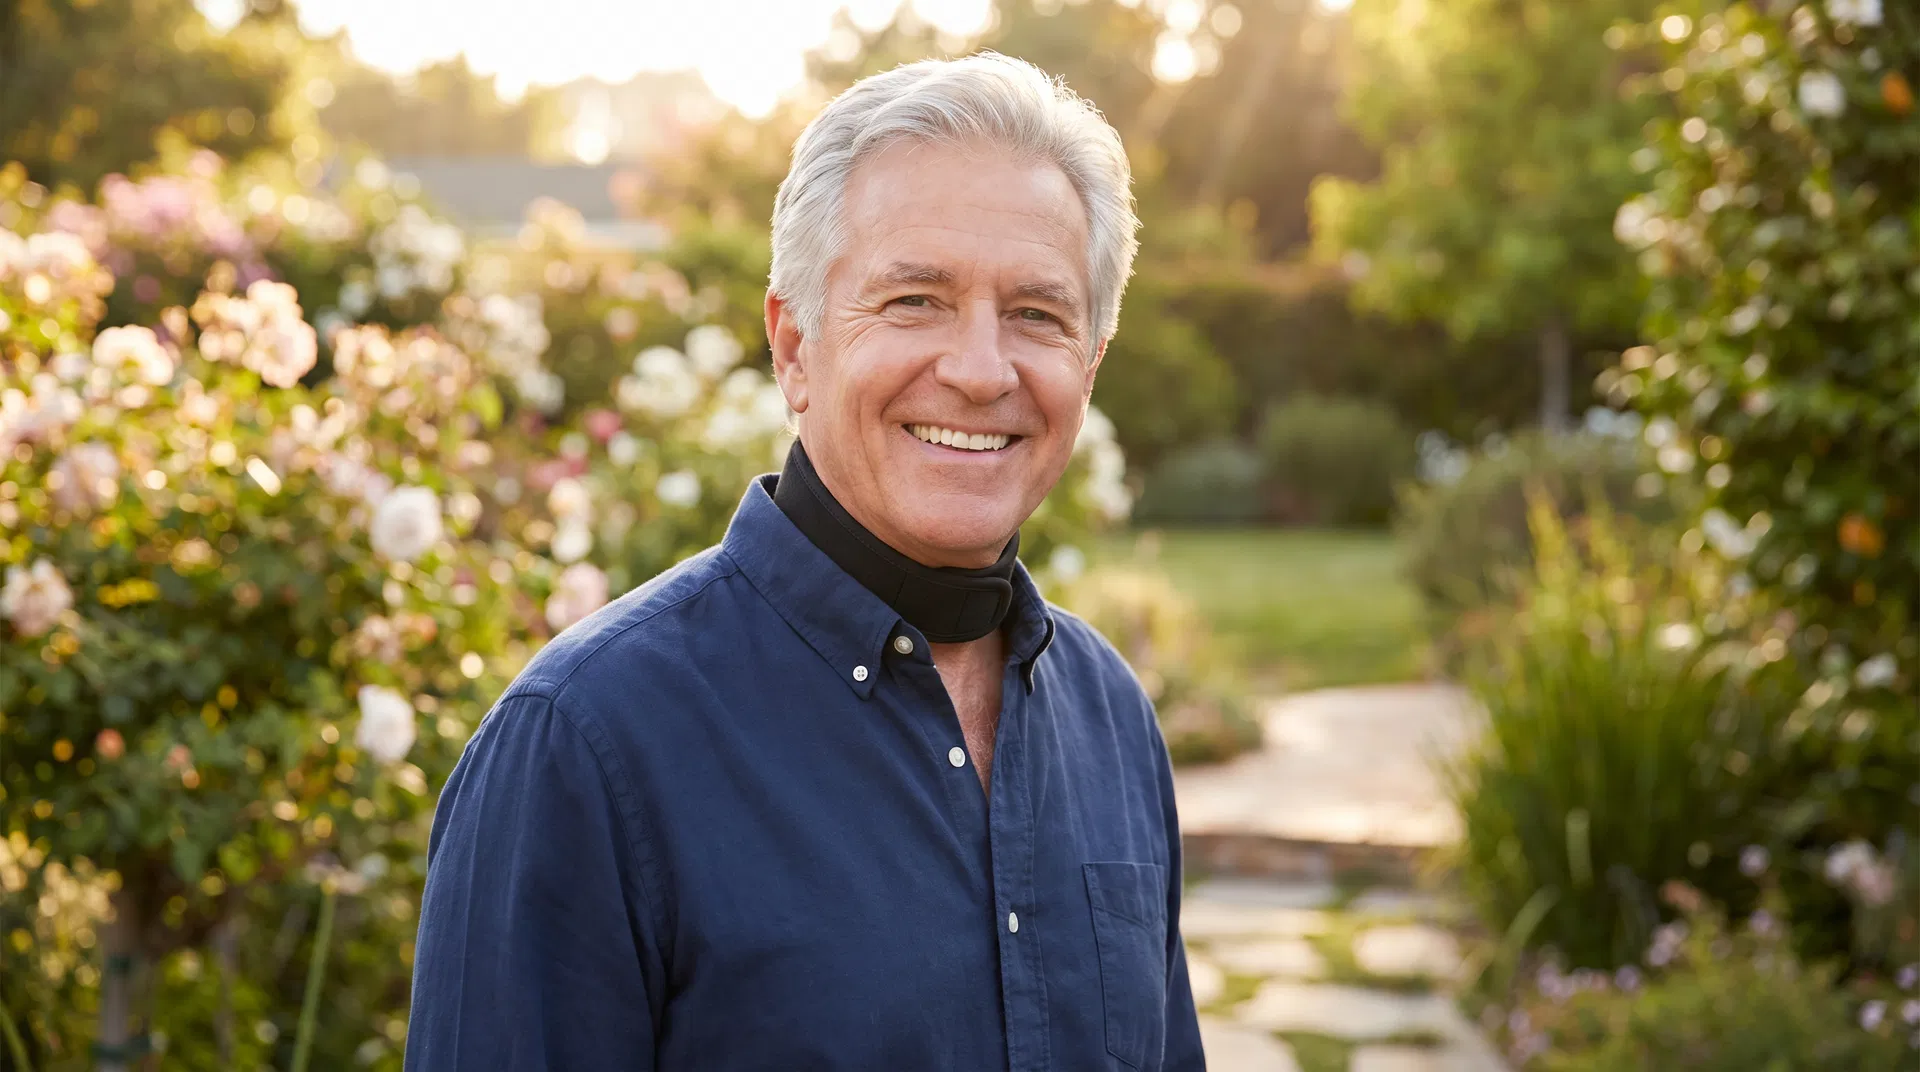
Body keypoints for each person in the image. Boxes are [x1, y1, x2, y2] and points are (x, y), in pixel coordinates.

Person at [404, 52, 1205, 1071]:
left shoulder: (1111, 717)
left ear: (1087, 366)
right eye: (915, 299)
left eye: (1037, 315)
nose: (979, 368)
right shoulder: (586, 746)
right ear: (794, 347)